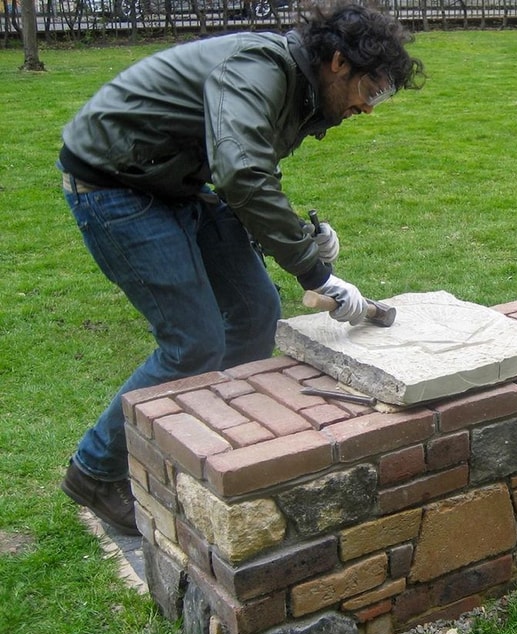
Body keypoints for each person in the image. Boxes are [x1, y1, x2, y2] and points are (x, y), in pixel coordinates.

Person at [57, 0, 426, 535]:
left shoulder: (302, 90)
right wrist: (316, 276)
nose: (369, 108)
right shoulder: (258, 68)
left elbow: (245, 171)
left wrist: (306, 237)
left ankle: (207, 433)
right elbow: (244, 173)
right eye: (372, 91)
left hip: (177, 178)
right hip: (115, 183)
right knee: (193, 342)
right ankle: (95, 470)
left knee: (255, 313)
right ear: (339, 62)